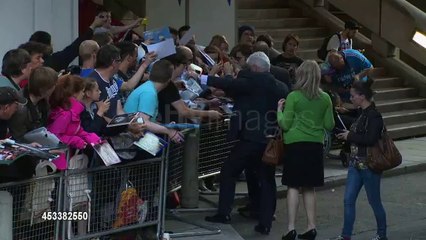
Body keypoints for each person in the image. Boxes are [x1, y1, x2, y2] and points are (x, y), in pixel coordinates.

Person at [204, 52, 288, 235]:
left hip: (250, 138)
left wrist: (202, 76)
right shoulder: (281, 87)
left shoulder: (253, 81)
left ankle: (223, 213)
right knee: (266, 179)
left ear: (256, 68)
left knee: (229, 171)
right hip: (269, 139)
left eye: (250, 68)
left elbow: (228, 84)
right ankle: (265, 222)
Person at [278, 60, 335, 240]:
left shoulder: (293, 96)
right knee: (309, 187)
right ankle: (311, 226)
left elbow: (285, 124)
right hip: (315, 145)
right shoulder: (325, 98)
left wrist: (279, 110)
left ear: (301, 75)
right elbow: (329, 125)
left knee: (293, 185)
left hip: (295, 144)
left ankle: (291, 228)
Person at [333, 78, 387, 240]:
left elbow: (370, 139)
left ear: (362, 96)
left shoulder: (374, 116)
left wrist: (350, 135)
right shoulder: (362, 113)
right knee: (348, 200)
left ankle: (382, 234)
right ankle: (346, 235)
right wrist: (347, 113)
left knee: (374, 202)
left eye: (353, 96)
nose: (351, 99)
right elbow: (358, 120)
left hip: (369, 165)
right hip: (355, 163)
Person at [47, 75, 101, 170]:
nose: (83, 94)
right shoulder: (65, 114)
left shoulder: (74, 111)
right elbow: (53, 136)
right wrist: (75, 140)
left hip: (68, 158)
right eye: (82, 91)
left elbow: (77, 130)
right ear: (75, 94)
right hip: (58, 162)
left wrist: (90, 137)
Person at [124, 60, 184, 144]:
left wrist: (165, 127)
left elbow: (146, 121)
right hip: (130, 139)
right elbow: (144, 122)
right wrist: (169, 132)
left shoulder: (149, 87)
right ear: (168, 79)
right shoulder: (149, 93)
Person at [8, 67, 58, 141]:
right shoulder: (20, 107)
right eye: (54, 85)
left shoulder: (43, 102)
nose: (55, 87)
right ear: (44, 89)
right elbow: (18, 137)